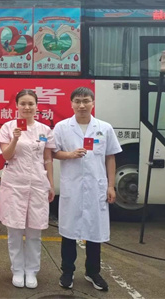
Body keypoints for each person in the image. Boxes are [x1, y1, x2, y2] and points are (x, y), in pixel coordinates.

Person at [53, 87, 121, 292]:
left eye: (86, 101)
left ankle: (93, 272)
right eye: (77, 101)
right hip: (72, 187)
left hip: (96, 187)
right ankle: (67, 271)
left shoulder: (104, 128)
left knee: (94, 231)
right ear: (71, 104)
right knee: (69, 231)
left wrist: (111, 186)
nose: (81, 105)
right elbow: (54, 153)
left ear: (93, 103)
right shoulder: (62, 127)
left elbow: (110, 157)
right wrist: (70, 155)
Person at [0, 89, 55, 289]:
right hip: (14, 183)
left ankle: (31, 271)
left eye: (31, 104)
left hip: (38, 183)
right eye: (23, 103)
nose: (27, 107)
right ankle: (17, 270)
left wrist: (51, 184)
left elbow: (47, 159)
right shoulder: (8, 127)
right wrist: (15, 138)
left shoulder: (44, 130)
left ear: (37, 106)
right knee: (14, 231)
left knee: (34, 232)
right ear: (17, 106)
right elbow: (6, 155)